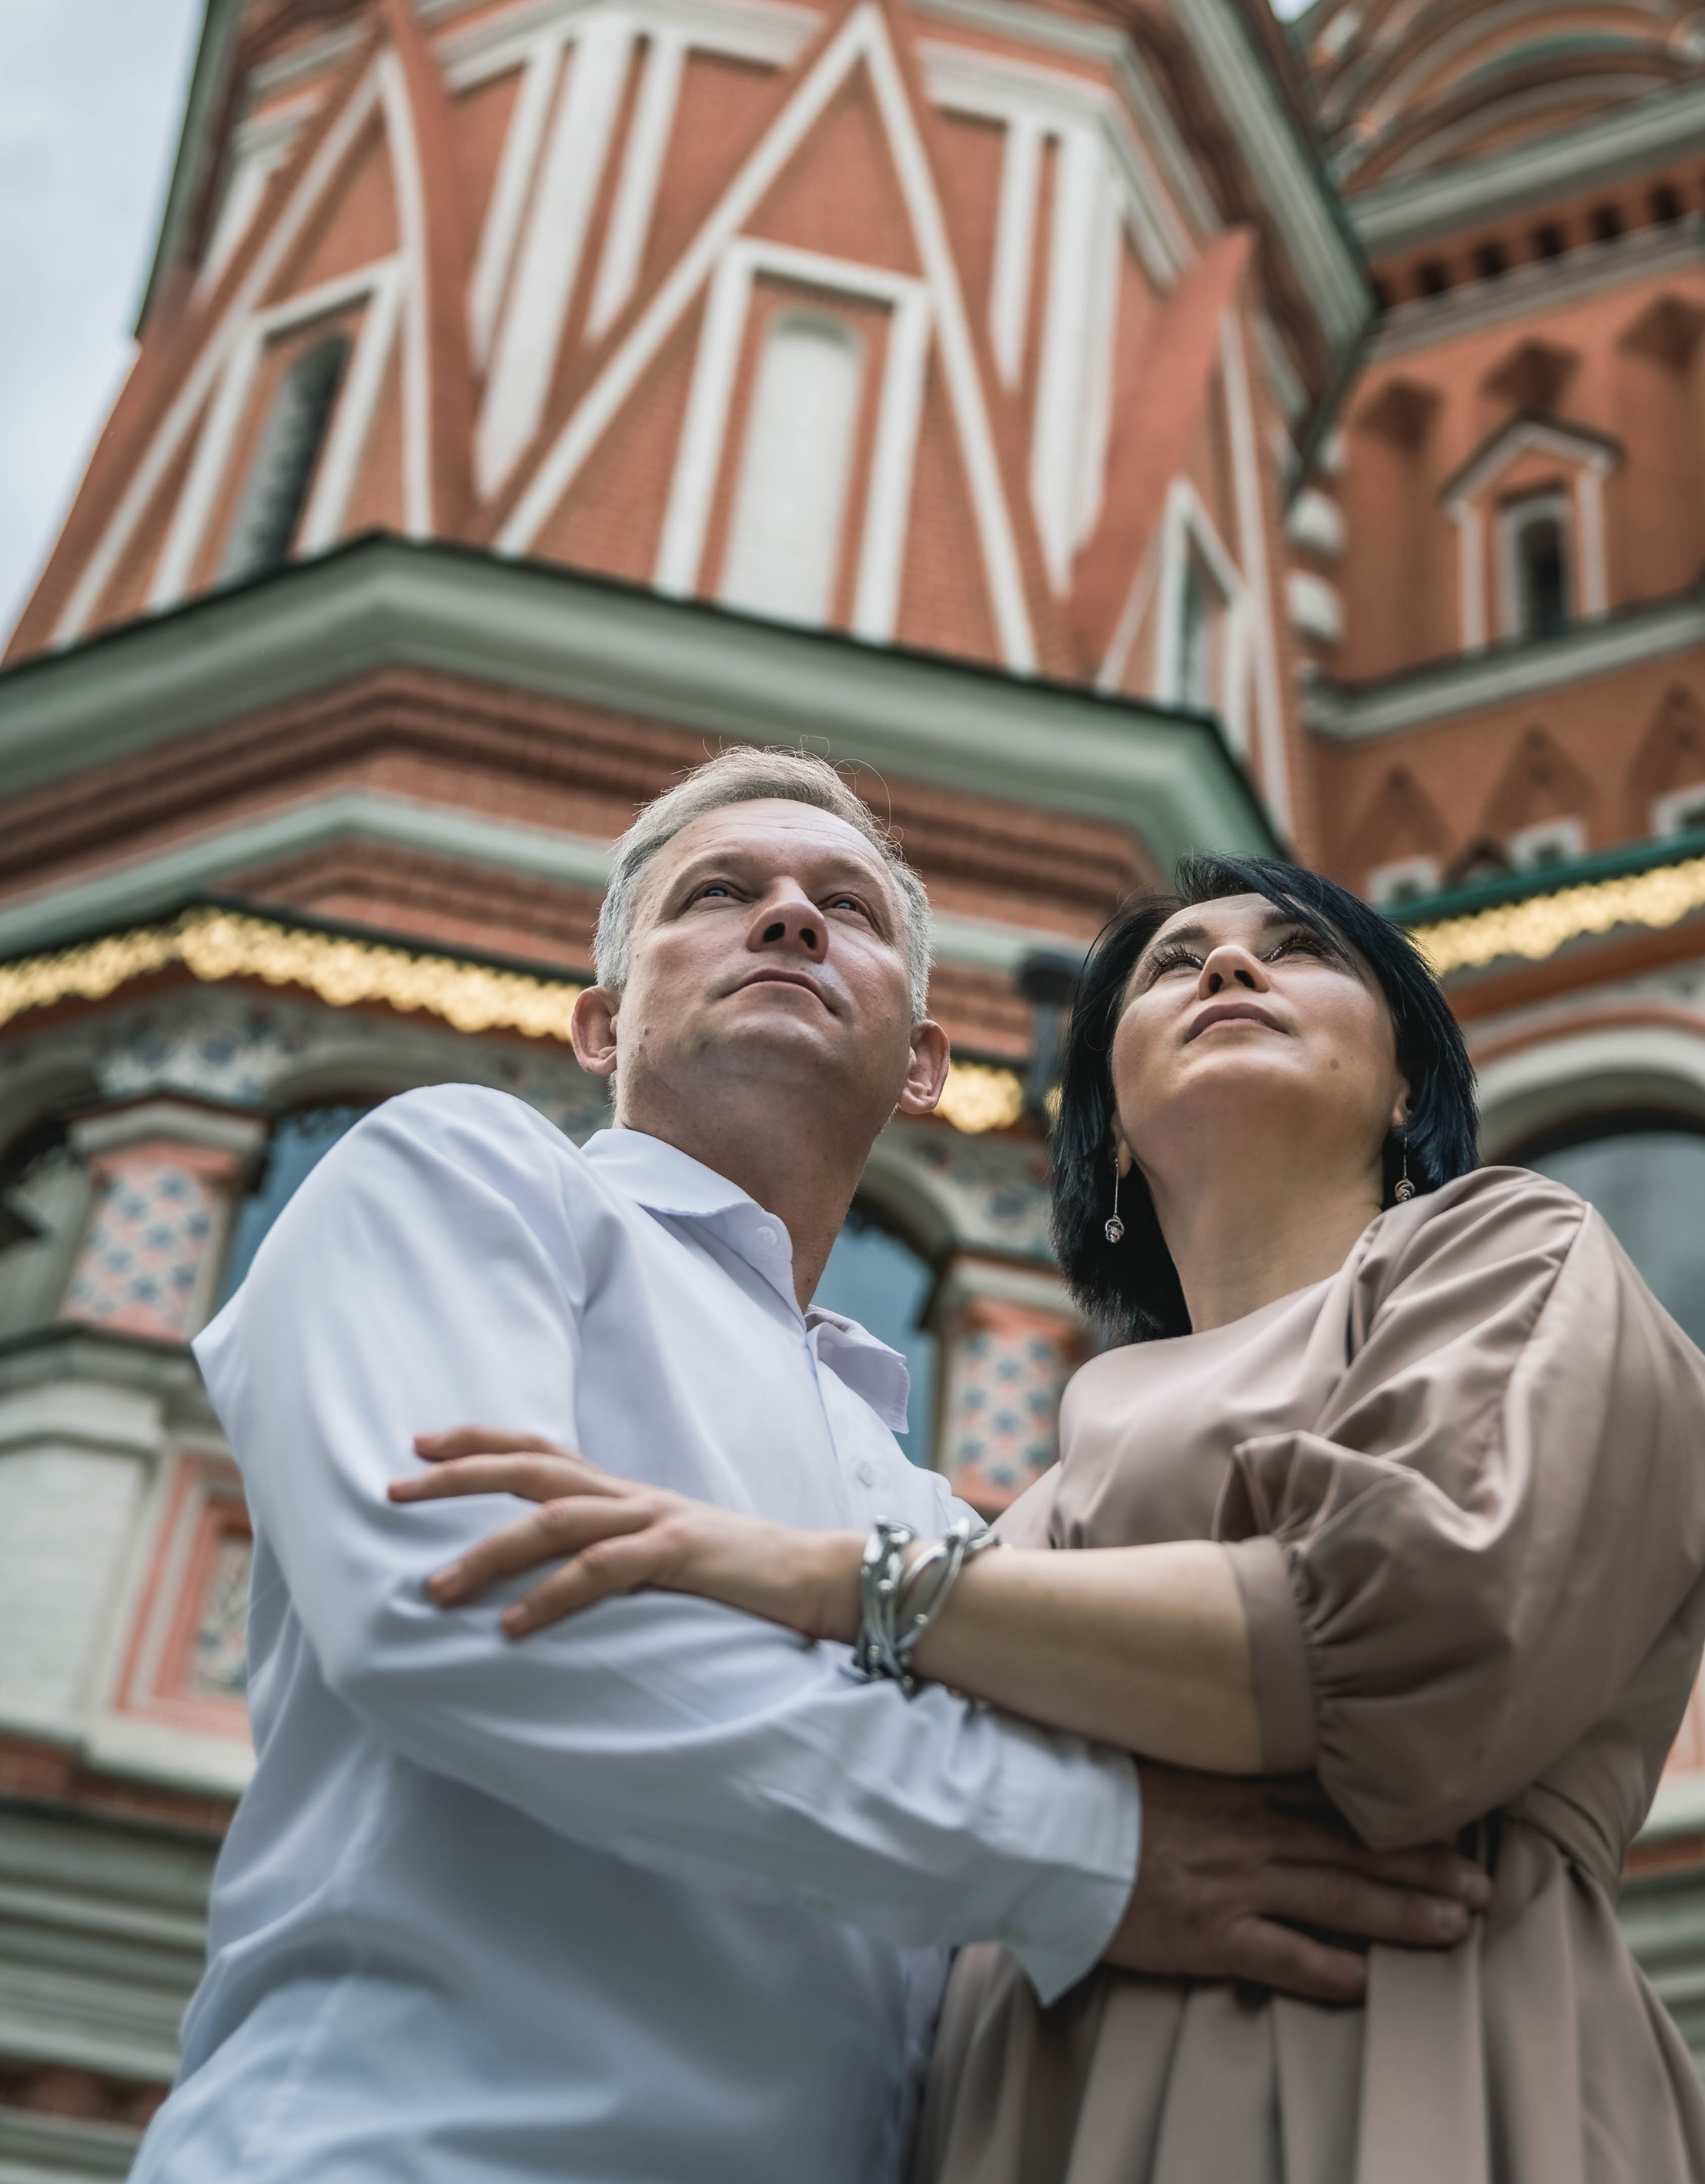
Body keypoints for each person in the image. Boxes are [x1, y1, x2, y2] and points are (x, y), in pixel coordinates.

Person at [132, 760, 1491, 2184]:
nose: (787, 918)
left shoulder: (920, 1503)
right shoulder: (464, 1173)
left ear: (922, 1061)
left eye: (845, 909)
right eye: (719, 897)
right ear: (602, 1026)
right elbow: (465, 1606)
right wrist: (1093, 1857)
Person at [403, 849, 1705, 2184]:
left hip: (1405, 2047)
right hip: (1031, 2108)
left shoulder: (1511, 1255)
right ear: (1103, 1127)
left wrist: (841, 1585)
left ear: (1409, 1086)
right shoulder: (1020, 1510)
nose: (1230, 963)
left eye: (1300, 952)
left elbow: (1421, 1630)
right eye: (1175, 966)